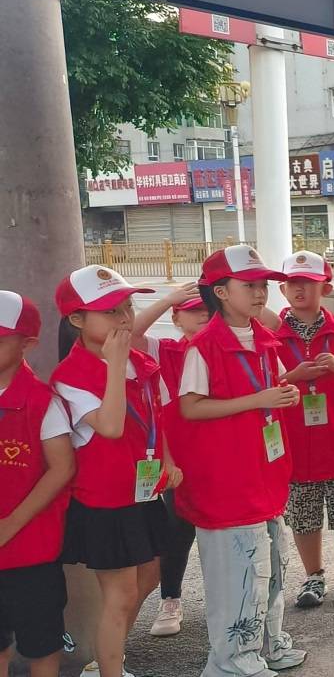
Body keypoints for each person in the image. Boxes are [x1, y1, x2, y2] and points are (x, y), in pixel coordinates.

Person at [173, 245, 308, 676]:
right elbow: (190, 407)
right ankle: (232, 661)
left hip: (263, 474)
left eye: (262, 285)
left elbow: (270, 394)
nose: (260, 293)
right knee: (240, 575)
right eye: (249, 285)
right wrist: (259, 399)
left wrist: (284, 395)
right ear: (221, 291)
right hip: (226, 481)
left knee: (273, 567)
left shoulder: (265, 341)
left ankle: (268, 646)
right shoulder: (204, 346)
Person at [50, 266, 175, 677]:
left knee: (150, 576)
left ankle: (109, 656)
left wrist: (169, 461)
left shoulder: (142, 362)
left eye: (126, 307)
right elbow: (110, 425)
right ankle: (108, 669)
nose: (123, 318)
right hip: (104, 500)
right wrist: (115, 366)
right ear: (77, 320)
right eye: (109, 311)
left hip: (142, 490)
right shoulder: (71, 374)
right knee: (119, 595)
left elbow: (157, 417)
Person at [270, 251, 334, 608]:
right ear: (283, 290)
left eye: (308, 283)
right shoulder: (272, 336)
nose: (300, 290)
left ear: (325, 288)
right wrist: (292, 376)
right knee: (304, 513)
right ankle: (313, 576)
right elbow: (262, 384)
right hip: (295, 439)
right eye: (292, 283)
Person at [0, 291, 75, 677]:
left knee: (41, 643)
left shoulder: (41, 401)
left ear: (27, 343)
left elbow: (61, 469)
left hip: (30, 551)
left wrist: (9, 525)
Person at [128, 283, 205, 637]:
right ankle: (171, 599)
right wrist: (167, 300)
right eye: (192, 309)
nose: (202, 313)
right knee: (177, 530)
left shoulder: (223, 347)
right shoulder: (167, 350)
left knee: (224, 533)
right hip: (179, 460)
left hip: (221, 454)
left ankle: (229, 603)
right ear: (176, 318)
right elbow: (129, 335)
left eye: (207, 307)